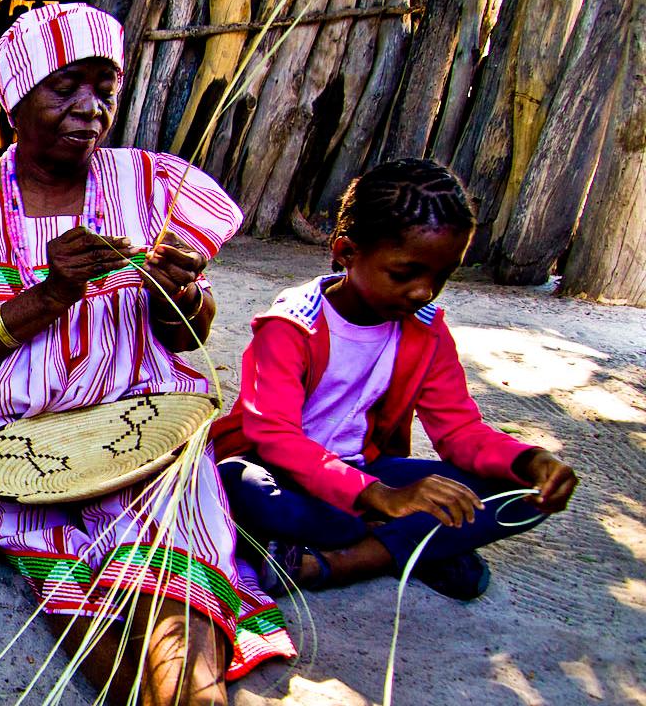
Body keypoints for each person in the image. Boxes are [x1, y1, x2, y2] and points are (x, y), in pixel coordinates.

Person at [0, 4, 294, 702]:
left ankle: (196, 695)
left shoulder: (151, 187)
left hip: (141, 422)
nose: (91, 107)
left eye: (104, 87)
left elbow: (188, 337)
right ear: (15, 99)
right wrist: (46, 295)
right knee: (43, 530)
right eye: (65, 86)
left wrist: (184, 295)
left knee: (173, 531)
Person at [211, 158, 578, 601]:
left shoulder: (425, 329)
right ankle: (414, 546)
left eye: (441, 277)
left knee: (520, 494)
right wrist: (381, 498)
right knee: (238, 485)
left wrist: (530, 461)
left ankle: (330, 563)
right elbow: (276, 439)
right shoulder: (290, 325)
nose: (424, 291)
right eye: (404, 274)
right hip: (284, 478)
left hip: (366, 474)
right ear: (347, 252)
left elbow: (460, 431)